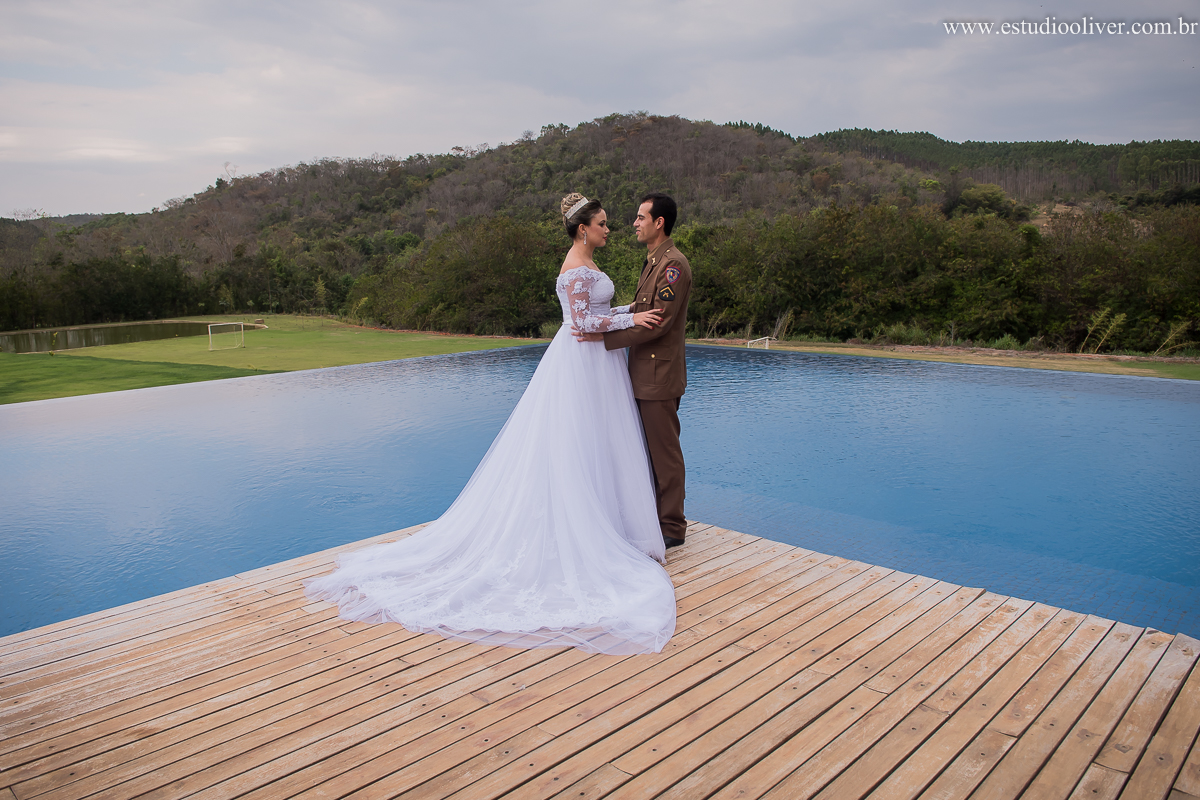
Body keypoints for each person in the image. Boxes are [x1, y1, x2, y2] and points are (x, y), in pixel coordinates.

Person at [304, 193, 678, 655]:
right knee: (577, 443)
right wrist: (630, 316)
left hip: (596, 364)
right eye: (602, 224)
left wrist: (625, 314)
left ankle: (609, 524)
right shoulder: (576, 269)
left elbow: (594, 317)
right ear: (583, 229)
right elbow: (582, 323)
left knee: (597, 444)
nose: (608, 229)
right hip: (582, 364)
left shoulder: (586, 263)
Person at [575, 193, 691, 548]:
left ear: (659, 222)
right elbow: (640, 311)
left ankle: (672, 527)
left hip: (658, 377)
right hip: (642, 374)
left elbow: (656, 322)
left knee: (664, 454)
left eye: (641, 217)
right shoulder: (654, 261)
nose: (635, 223)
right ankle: (654, 519)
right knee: (647, 452)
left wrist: (604, 338)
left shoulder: (672, 266)